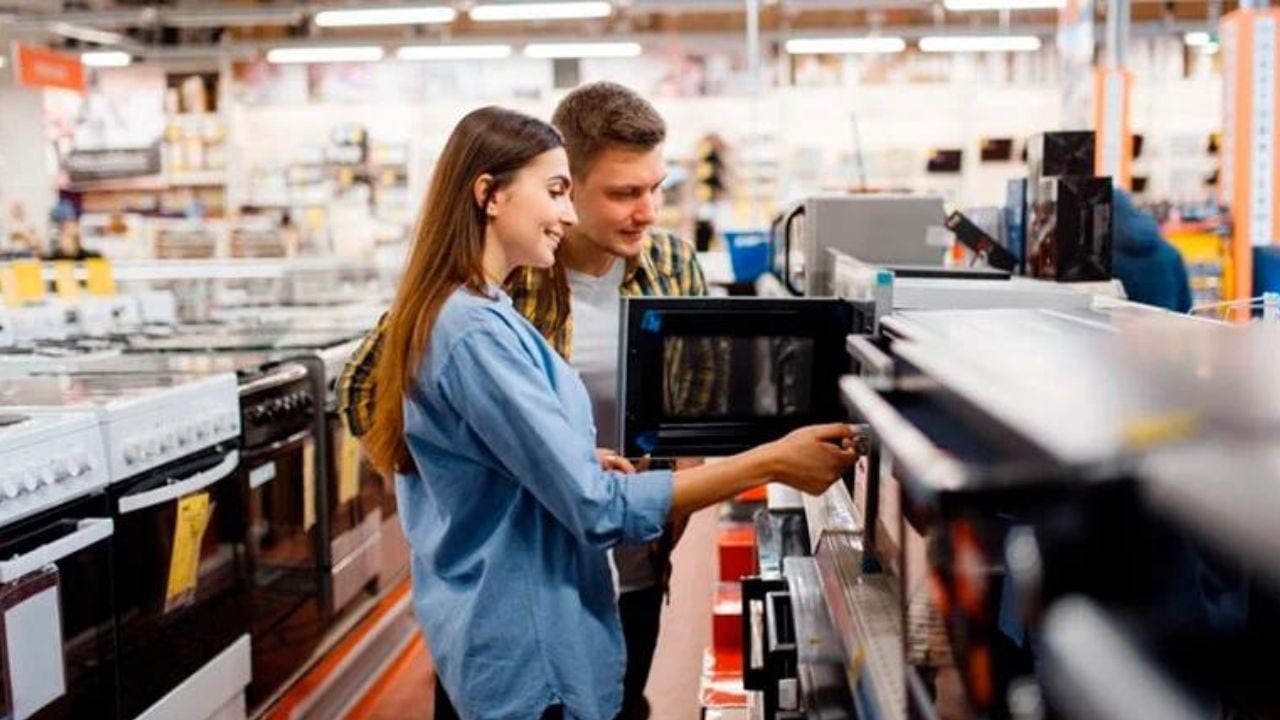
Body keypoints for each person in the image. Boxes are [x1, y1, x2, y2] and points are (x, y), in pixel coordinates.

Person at [361, 105, 859, 720]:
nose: (644, 210)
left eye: (655, 189)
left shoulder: (652, 270)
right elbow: (590, 504)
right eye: (561, 191)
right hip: (526, 624)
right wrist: (773, 462)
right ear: (489, 196)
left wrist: (552, 458)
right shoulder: (474, 325)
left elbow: (672, 418)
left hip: (603, 581)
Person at [341, 82, 718, 717]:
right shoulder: (496, 290)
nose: (648, 211)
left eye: (656, 188)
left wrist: (667, 474)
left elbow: (696, 407)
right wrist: (482, 475)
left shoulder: (674, 267)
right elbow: (360, 391)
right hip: (515, 596)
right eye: (624, 193)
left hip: (635, 566)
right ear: (565, 180)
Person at [1110, 188, 1193, 313]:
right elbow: (1186, 305)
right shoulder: (1169, 252)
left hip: (1125, 330)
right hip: (1168, 328)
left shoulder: (1108, 260)